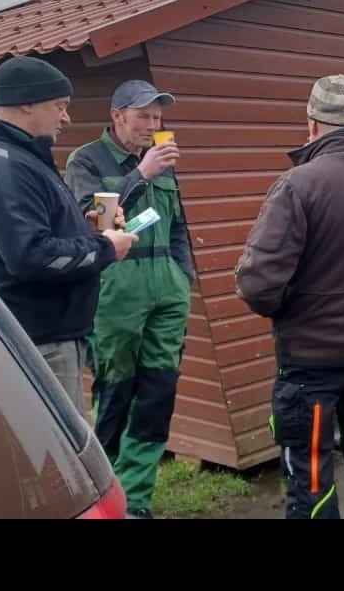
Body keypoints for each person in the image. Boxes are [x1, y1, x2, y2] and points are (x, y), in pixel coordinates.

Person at [236, 74, 344, 519]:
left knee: (310, 471)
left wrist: (294, 310)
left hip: (311, 360)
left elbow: (257, 285)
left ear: (312, 123)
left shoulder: (298, 184)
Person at [0, 55, 137, 415]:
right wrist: (105, 247)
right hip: (42, 341)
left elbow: (37, 233)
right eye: (60, 105)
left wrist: (85, 227)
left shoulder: (20, 157)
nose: (66, 117)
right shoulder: (5, 169)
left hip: (53, 336)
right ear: (27, 102)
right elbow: (32, 257)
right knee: (61, 447)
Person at [64, 79, 194, 519]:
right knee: (116, 394)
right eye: (143, 116)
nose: (152, 125)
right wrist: (141, 175)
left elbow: (176, 225)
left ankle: (136, 501)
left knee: (158, 393)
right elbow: (95, 224)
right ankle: (106, 499)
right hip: (116, 291)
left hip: (167, 291)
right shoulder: (87, 160)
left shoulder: (162, 161)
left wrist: (182, 275)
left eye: (158, 117)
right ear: (117, 116)